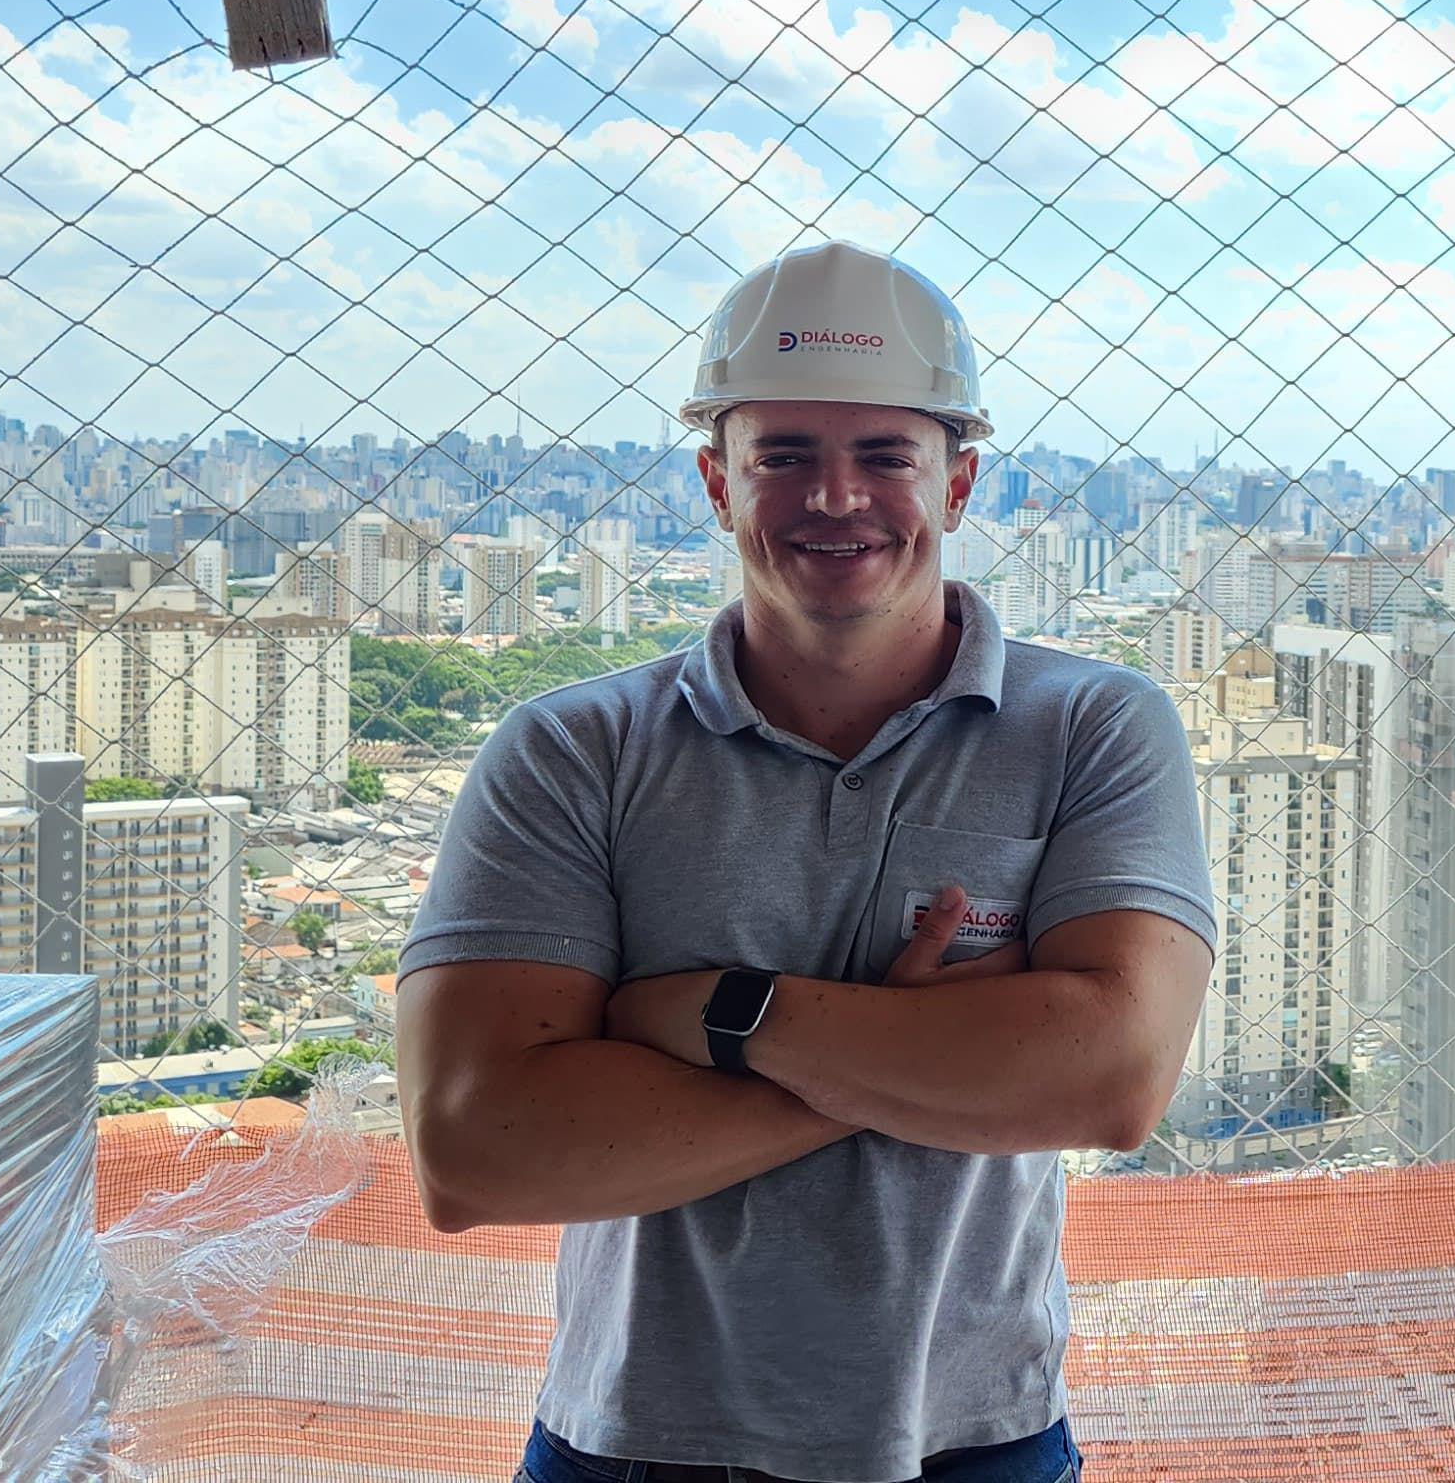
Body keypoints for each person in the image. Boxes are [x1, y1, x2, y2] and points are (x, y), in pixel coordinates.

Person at [396, 241, 1217, 1483]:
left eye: (885, 454)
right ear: (717, 484)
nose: (836, 498)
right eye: (784, 456)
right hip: (628, 1445)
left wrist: (721, 1018)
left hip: (975, 1438)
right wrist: (913, 1049)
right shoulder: (574, 750)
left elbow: (1108, 1082)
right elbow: (477, 1151)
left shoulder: (1092, 727)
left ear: (959, 484)